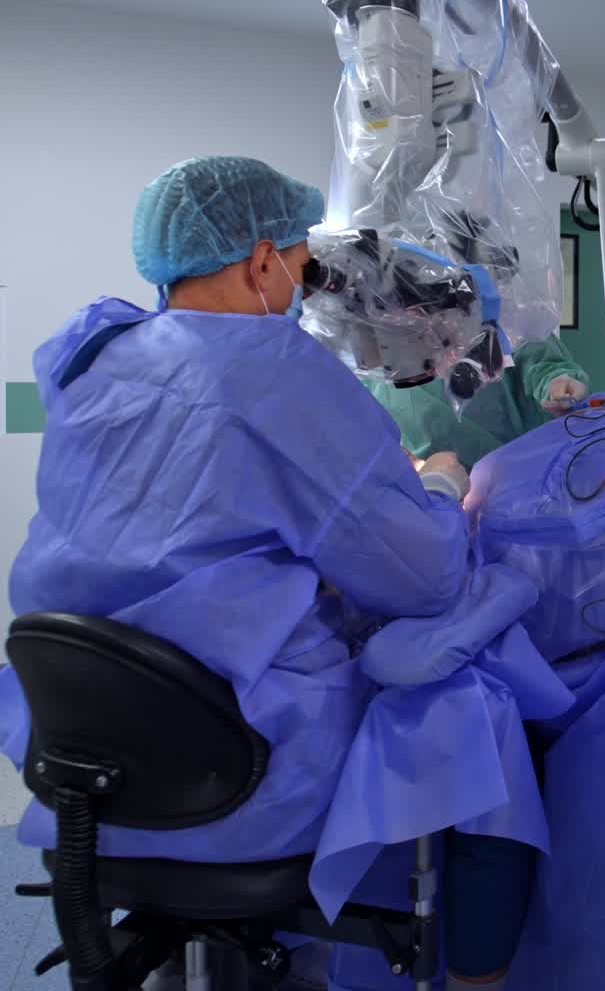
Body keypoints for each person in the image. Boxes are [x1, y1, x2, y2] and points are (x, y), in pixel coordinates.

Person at [0, 156, 528, 990]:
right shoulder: (274, 375)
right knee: (468, 713)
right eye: (297, 267)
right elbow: (423, 578)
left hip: (82, 759)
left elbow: (184, 526)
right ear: (258, 260)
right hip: (241, 768)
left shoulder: (96, 354)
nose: (300, 288)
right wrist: (436, 483)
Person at [367, 335, 589, 469]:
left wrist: (558, 384)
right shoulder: (368, 349)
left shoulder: (502, 316)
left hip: (519, 484)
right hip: (430, 502)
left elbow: (542, 363)